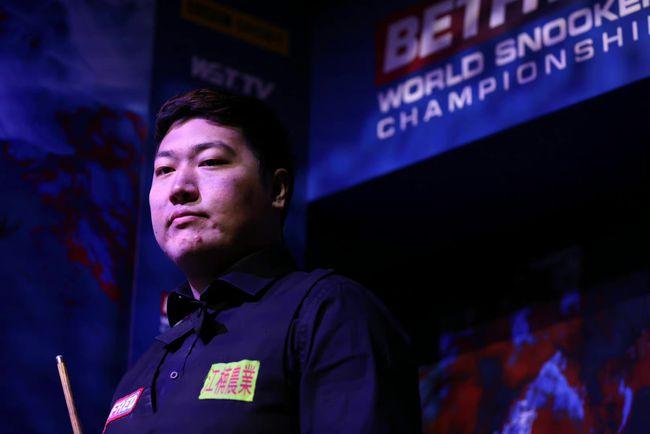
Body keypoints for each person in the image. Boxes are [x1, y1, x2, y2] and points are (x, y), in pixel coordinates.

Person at [103, 88, 422, 433]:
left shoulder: (327, 311)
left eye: (210, 161)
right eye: (164, 169)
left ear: (277, 190)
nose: (179, 187)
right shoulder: (139, 372)